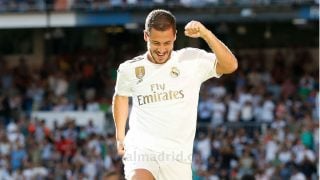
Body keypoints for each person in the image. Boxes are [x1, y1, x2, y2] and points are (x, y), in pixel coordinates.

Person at [112, 9, 238, 180]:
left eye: (167, 43)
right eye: (156, 43)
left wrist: (206, 35)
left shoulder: (191, 60)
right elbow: (121, 96)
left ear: (175, 37)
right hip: (141, 149)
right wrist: (120, 136)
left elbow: (230, 65)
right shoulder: (129, 69)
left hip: (177, 157)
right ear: (146, 36)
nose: (162, 49)